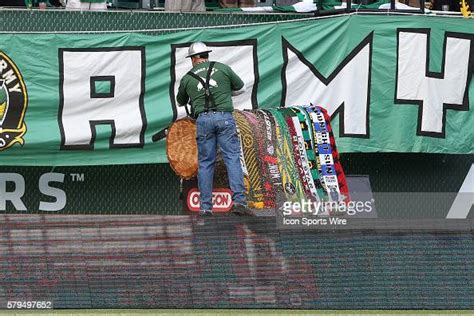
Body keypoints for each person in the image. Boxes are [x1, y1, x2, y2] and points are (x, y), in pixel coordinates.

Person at [176, 42, 252, 216]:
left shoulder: (188, 77)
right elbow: (241, 88)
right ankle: (239, 201)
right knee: (232, 158)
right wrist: (224, 93)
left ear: (194, 59)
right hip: (225, 118)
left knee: (205, 163)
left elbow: (180, 101)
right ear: (206, 55)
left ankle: (205, 207)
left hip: (203, 121)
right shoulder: (223, 68)